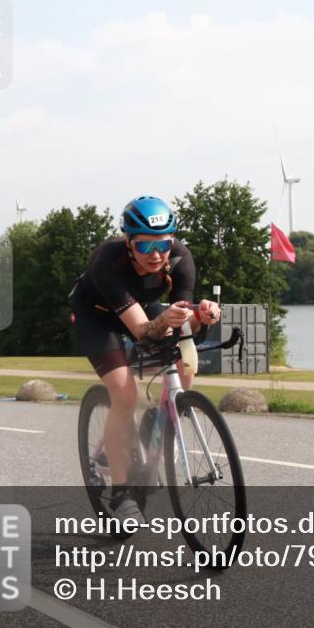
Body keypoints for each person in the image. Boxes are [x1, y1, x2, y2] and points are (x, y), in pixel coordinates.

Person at [70, 195, 220, 522]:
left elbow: (182, 320)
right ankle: (122, 492)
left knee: (184, 364)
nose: (156, 256)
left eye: (163, 245)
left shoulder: (180, 258)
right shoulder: (107, 261)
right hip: (97, 317)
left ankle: (159, 415)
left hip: (143, 308)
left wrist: (203, 316)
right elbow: (143, 332)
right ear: (128, 243)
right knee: (125, 394)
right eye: (144, 248)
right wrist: (167, 321)